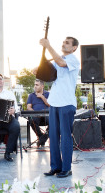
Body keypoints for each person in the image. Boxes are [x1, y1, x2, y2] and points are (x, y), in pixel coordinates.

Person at [39, 36, 80, 178]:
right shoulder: (57, 60)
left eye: (67, 43)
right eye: (63, 42)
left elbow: (61, 63)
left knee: (66, 136)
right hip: (54, 103)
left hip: (66, 103)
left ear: (74, 47)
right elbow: (49, 72)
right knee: (53, 136)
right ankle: (55, 166)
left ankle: (66, 168)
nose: (63, 44)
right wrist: (39, 68)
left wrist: (48, 46)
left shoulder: (73, 59)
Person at [27, 79, 50, 147]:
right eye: (34, 85)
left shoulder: (48, 94)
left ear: (42, 86)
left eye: (37, 85)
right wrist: (35, 113)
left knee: (53, 121)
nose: (35, 86)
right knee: (32, 121)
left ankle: (43, 138)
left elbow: (50, 104)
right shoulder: (31, 95)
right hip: (36, 115)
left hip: (47, 115)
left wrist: (42, 97)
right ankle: (41, 137)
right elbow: (29, 107)